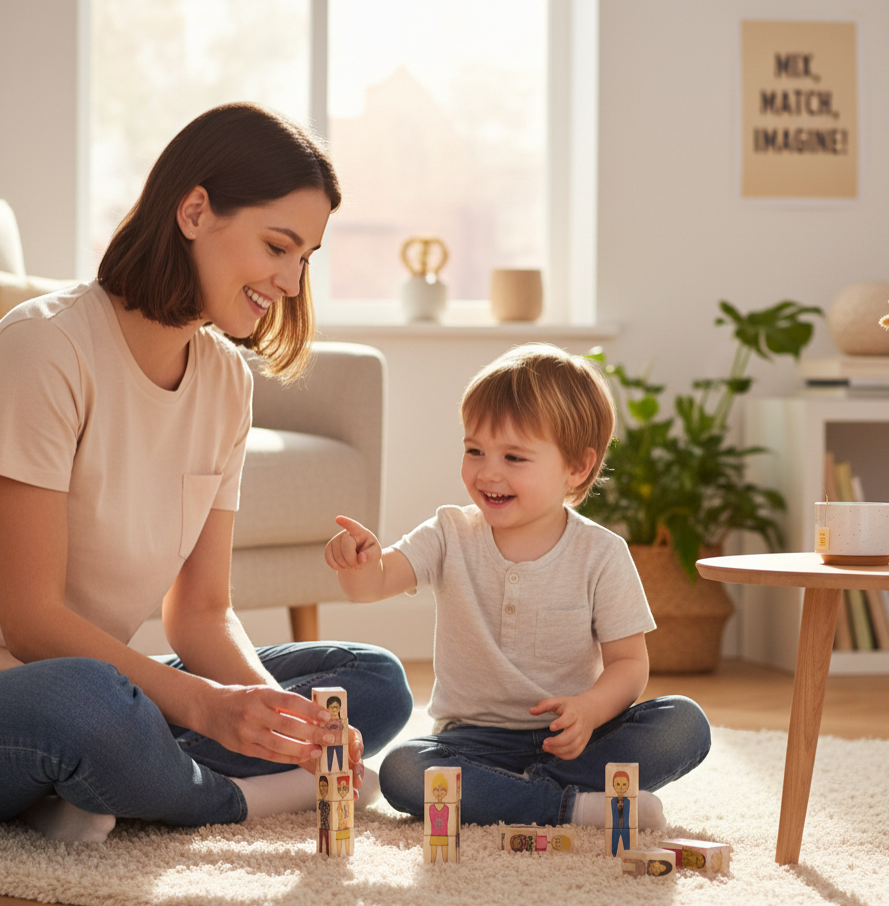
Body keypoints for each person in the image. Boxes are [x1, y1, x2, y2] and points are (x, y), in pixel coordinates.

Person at [0, 103, 413, 844]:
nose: (290, 280)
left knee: (368, 681)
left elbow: (200, 613)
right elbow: (28, 620)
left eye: (306, 258)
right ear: (194, 210)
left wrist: (277, 720)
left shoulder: (226, 381)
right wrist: (203, 707)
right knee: (93, 705)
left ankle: (100, 784)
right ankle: (229, 798)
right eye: (278, 246)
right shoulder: (44, 349)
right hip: (32, 683)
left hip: (115, 683)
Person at [324, 344, 710, 830]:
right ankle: (574, 806)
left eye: (514, 457)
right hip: (469, 742)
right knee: (404, 769)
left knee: (684, 723)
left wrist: (590, 710)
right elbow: (372, 584)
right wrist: (357, 562)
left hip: (574, 740)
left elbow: (630, 665)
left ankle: (517, 794)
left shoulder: (603, 553)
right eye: (474, 450)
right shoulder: (448, 532)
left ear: (577, 467)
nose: (488, 472)